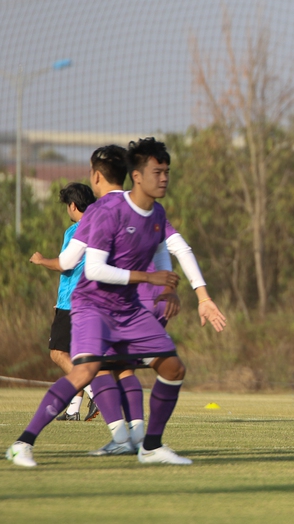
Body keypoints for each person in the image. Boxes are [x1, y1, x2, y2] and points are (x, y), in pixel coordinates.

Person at [6, 138, 226, 468]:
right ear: (136, 176)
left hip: (128, 309)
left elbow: (169, 250)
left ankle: (149, 446)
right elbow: (93, 269)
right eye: (157, 172)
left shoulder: (156, 212)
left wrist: (188, 293)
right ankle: (22, 443)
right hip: (93, 305)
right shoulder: (107, 211)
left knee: (172, 367)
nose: (164, 178)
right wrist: (149, 279)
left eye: (167, 171)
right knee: (86, 371)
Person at [56, 144, 181, 457]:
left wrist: (45, 261)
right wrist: (181, 290)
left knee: (90, 368)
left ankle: (122, 438)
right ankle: (140, 437)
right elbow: (175, 248)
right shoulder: (143, 206)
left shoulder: (99, 212)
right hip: (138, 305)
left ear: (96, 176)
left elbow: (69, 261)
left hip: (95, 305)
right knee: (126, 369)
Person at [29, 182, 99, 422]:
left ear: (72, 205)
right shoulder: (98, 227)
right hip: (88, 301)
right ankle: (73, 410)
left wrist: (40, 260)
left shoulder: (75, 231)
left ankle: (96, 393)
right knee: (75, 356)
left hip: (72, 302)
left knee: (58, 354)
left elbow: (65, 264)